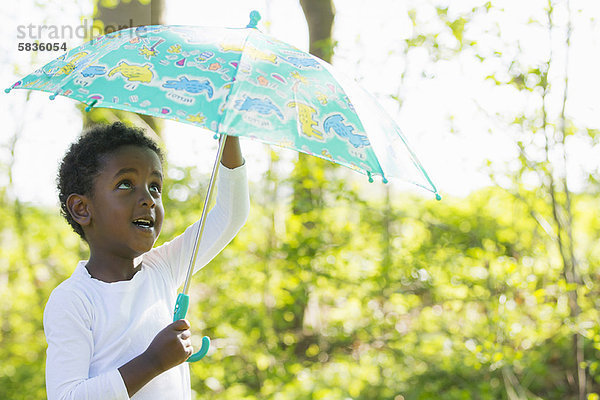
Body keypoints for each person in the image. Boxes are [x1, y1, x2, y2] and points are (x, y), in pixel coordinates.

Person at [43, 122, 249, 399]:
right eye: (126, 184)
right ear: (82, 208)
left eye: (155, 186)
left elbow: (230, 213)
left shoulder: (162, 268)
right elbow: (66, 396)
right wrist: (153, 362)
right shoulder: (73, 299)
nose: (149, 199)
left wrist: (230, 128)